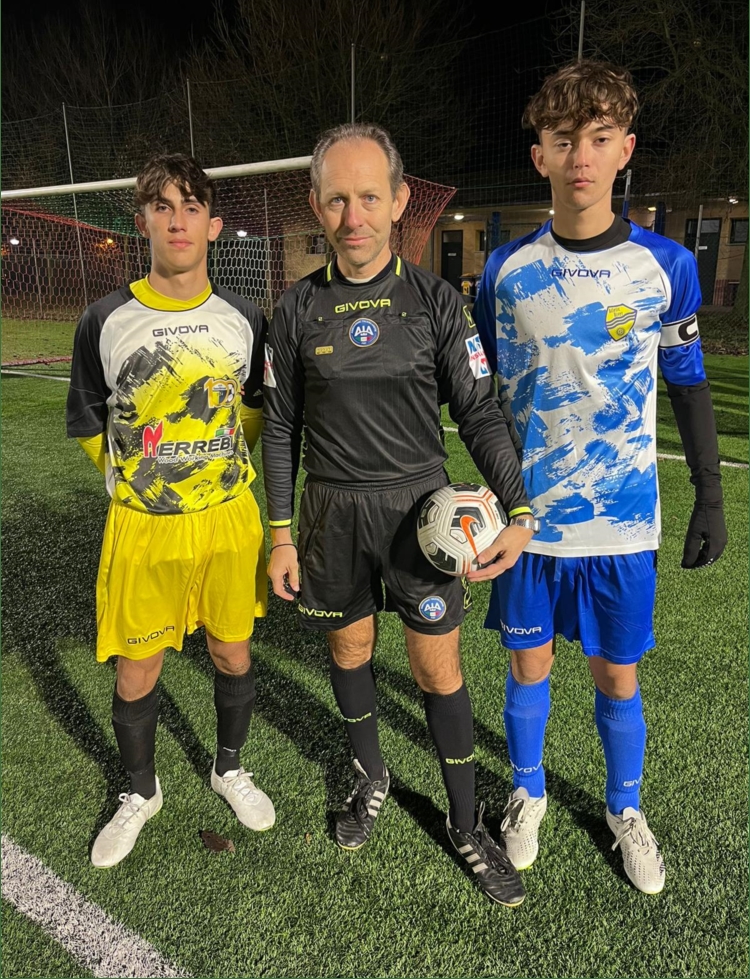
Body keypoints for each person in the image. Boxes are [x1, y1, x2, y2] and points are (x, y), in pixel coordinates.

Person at [262, 123, 539, 907]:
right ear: (317, 205)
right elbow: (279, 428)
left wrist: (518, 508)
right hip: (331, 517)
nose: (354, 216)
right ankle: (372, 775)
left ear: (400, 201)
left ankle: (464, 820)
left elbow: (479, 413)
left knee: (435, 670)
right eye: (337, 200)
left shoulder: (435, 301)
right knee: (349, 649)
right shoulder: (296, 309)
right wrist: (279, 534)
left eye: (369, 197)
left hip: (423, 519)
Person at [472, 60, 727, 894]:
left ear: (626, 150)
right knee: (528, 667)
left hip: (622, 521)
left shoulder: (666, 266)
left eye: (599, 137)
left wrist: (710, 497)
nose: (580, 156)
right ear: (539, 155)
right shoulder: (504, 271)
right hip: (529, 520)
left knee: (618, 675)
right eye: (562, 139)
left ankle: (625, 809)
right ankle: (528, 792)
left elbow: (687, 383)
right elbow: (482, 395)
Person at [66, 153, 275, 867]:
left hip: (227, 519)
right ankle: (140, 791)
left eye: (191, 207)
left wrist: (210, 469)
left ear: (213, 225)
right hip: (143, 524)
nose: (177, 221)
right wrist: (140, 481)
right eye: (163, 206)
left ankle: (229, 768)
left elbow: (255, 411)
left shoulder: (245, 317)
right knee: (137, 666)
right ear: (143, 222)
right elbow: (87, 418)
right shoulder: (104, 319)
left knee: (232, 650)